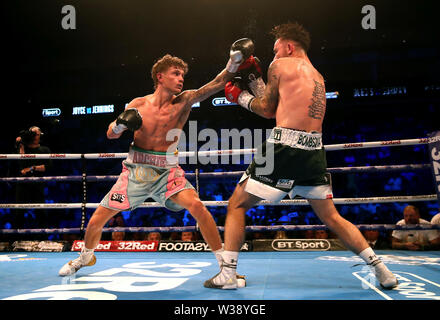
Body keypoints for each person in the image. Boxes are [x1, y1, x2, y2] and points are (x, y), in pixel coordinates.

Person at [204, 22, 398, 289]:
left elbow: (266, 110)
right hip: (314, 150)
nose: (273, 56)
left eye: (275, 50)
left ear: (288, 46)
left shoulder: (280, 65)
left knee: (236, 205)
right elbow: (280, 104)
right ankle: (381, 270)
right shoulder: (318, 77)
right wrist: (253, 80)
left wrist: (240, 97)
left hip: (285, 145)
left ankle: (227, 275)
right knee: (331, 217)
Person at [59, 39, 255, 278]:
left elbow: (216, 83)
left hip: (167, 170)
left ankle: (225, 267)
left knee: (197, 206)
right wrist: (120, 126)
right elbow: (110, 133)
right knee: (97, 219)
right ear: (160, 77)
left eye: (182, 74)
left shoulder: (184, 101)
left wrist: (233, 62)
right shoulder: (138, 104)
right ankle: (85, 257)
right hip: (136, 171)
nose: (181, 78)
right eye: (175, 73)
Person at [14, 126, 53, 229]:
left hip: (37, 183)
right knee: (19, 212)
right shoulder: (23, 148)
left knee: (40, 212)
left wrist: (32, 168)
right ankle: (14, 240)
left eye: (37, 134)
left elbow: (48, 167)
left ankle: (43, 239)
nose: (36, 136)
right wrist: (21, 144)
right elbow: (21, 163)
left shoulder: (44, 149)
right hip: (23, 184)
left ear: (40, 135)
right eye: (33, 134)